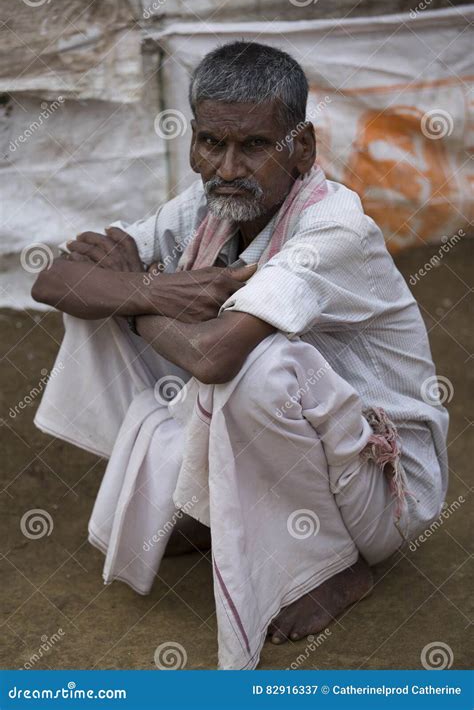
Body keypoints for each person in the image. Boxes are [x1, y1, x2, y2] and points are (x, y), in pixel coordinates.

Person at [31, 41, 449, 670]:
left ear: (301, 147)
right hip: (313, 442)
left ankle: (337, 565)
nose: (227, 167)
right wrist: (158, 288)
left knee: (261, 370)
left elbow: (216, 358)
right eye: (210, 143)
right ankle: (205, 502)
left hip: (385, 491)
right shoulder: (206, 210)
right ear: (194, 140)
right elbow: (54, 280)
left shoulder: (334, 227)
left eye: (254, 146)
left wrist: (137, 296)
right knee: (95, 312)